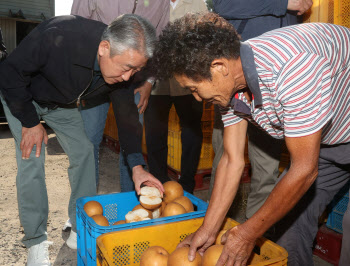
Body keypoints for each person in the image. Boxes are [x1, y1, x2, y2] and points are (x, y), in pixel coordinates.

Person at [152, 12, 350, 266]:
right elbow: (232, 160)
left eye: (193, 88)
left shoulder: (293, 70)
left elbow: (303, 170)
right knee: (289, 225)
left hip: (331, 133)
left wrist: (247, 233)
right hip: (327, 139)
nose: (197, 99)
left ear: (219, 67)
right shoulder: (230, 85)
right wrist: (208, 229)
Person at [0, 14, 164, 266]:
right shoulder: (59, 35)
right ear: (104, 48)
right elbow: (9, 73)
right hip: (22, 97)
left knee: (85, 151)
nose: (128, 77)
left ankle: (81, 226)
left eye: (136, 70)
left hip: (61, 104)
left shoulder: (121, 71)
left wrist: (137, 167)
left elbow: (127, 117)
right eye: (125, 68)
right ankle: (35, 240)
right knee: (31, 157)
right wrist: (31, 123)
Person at [209, 0, 312, 219]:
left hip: (278, 78)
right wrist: (282, 3)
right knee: (228, 157)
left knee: (267, 167)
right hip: (235, 71)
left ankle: (255, 233)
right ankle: (217, 225)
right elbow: (222, 5)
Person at [71, 0, 170, 191]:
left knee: (132, 139)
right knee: (88, 141)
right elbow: (77, 26)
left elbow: (161, 42)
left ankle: (131, 202)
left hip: (135, 81)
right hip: (97, 76)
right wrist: (80, 78)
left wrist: (150, 81)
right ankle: (83, 203)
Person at [144, 0, 207, 193]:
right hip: (155, 79)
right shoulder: (150, 3)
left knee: (191, 133)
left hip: (188, 80)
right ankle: (159, 181)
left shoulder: (197, 3)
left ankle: (187, 184)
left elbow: (204, 39)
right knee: (155, 132)